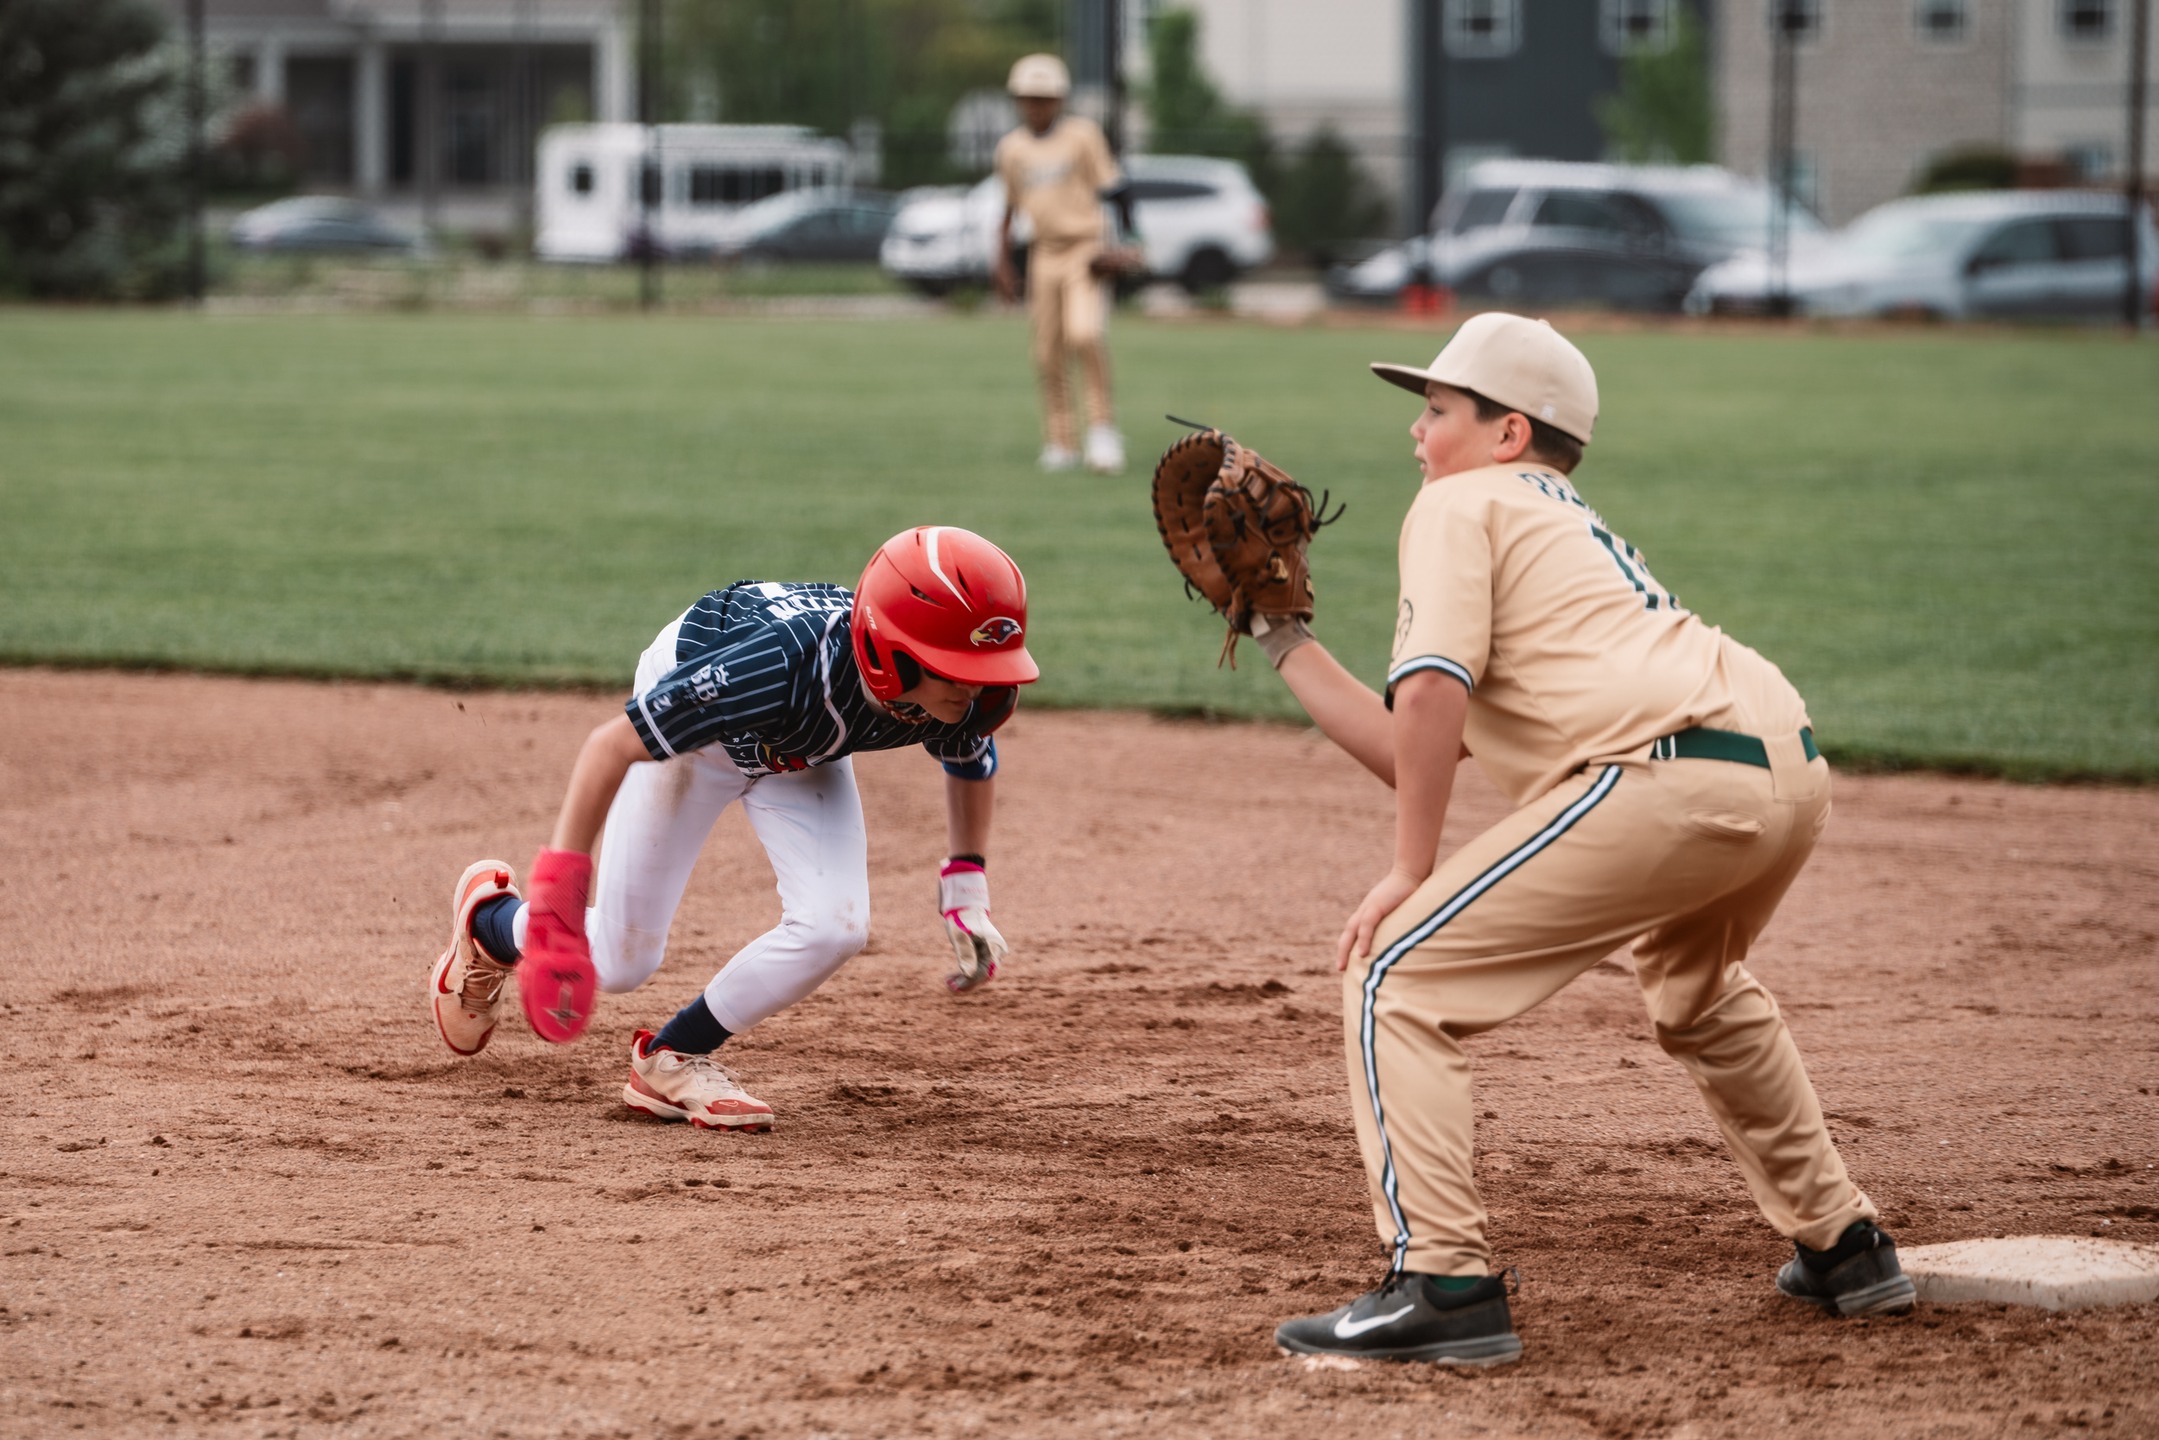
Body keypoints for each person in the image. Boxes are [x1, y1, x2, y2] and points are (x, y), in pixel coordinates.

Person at [1250, 313, 1913, 1365]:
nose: (1415, 434)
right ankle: (1844, 1246)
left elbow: (1429, 691)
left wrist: (1408, 870)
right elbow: (1403, 745)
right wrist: (1274, 633)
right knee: (1695, 991)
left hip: (1667, 774)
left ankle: (1442, 1286)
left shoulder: (1457, 502)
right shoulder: (1550, 518)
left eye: (1435, 409)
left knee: (1395, 977)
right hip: (1781, 761)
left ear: (1507, 431)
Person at [427, 526, 1038, 1131]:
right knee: (618, 963)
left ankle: (671, 1060)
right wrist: (560, 900)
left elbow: (969, 764)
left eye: (984, 667)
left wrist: (966, 886)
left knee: (835, 928)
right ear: (893, 657)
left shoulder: (955, 696)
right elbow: (607, 749)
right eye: (954, 667)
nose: (977, 685)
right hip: (708, 731)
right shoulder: (777, 668)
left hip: (799, 746)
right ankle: (490, 925)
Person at [993, 52, 1132, 476]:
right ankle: (1060, 441)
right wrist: (1002, 261)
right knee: (1047, 352)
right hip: (1043, 253)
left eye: (1045, 97)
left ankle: (1103, 432)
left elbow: (1115, 190)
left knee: (1085, 333)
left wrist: (1130, 239)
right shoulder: (1012, 148)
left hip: (1085, 249)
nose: (1037, 105)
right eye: (1029, 98)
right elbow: (1010, 208)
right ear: (1019, 100)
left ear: (1059, 99)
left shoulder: (1082, 136)